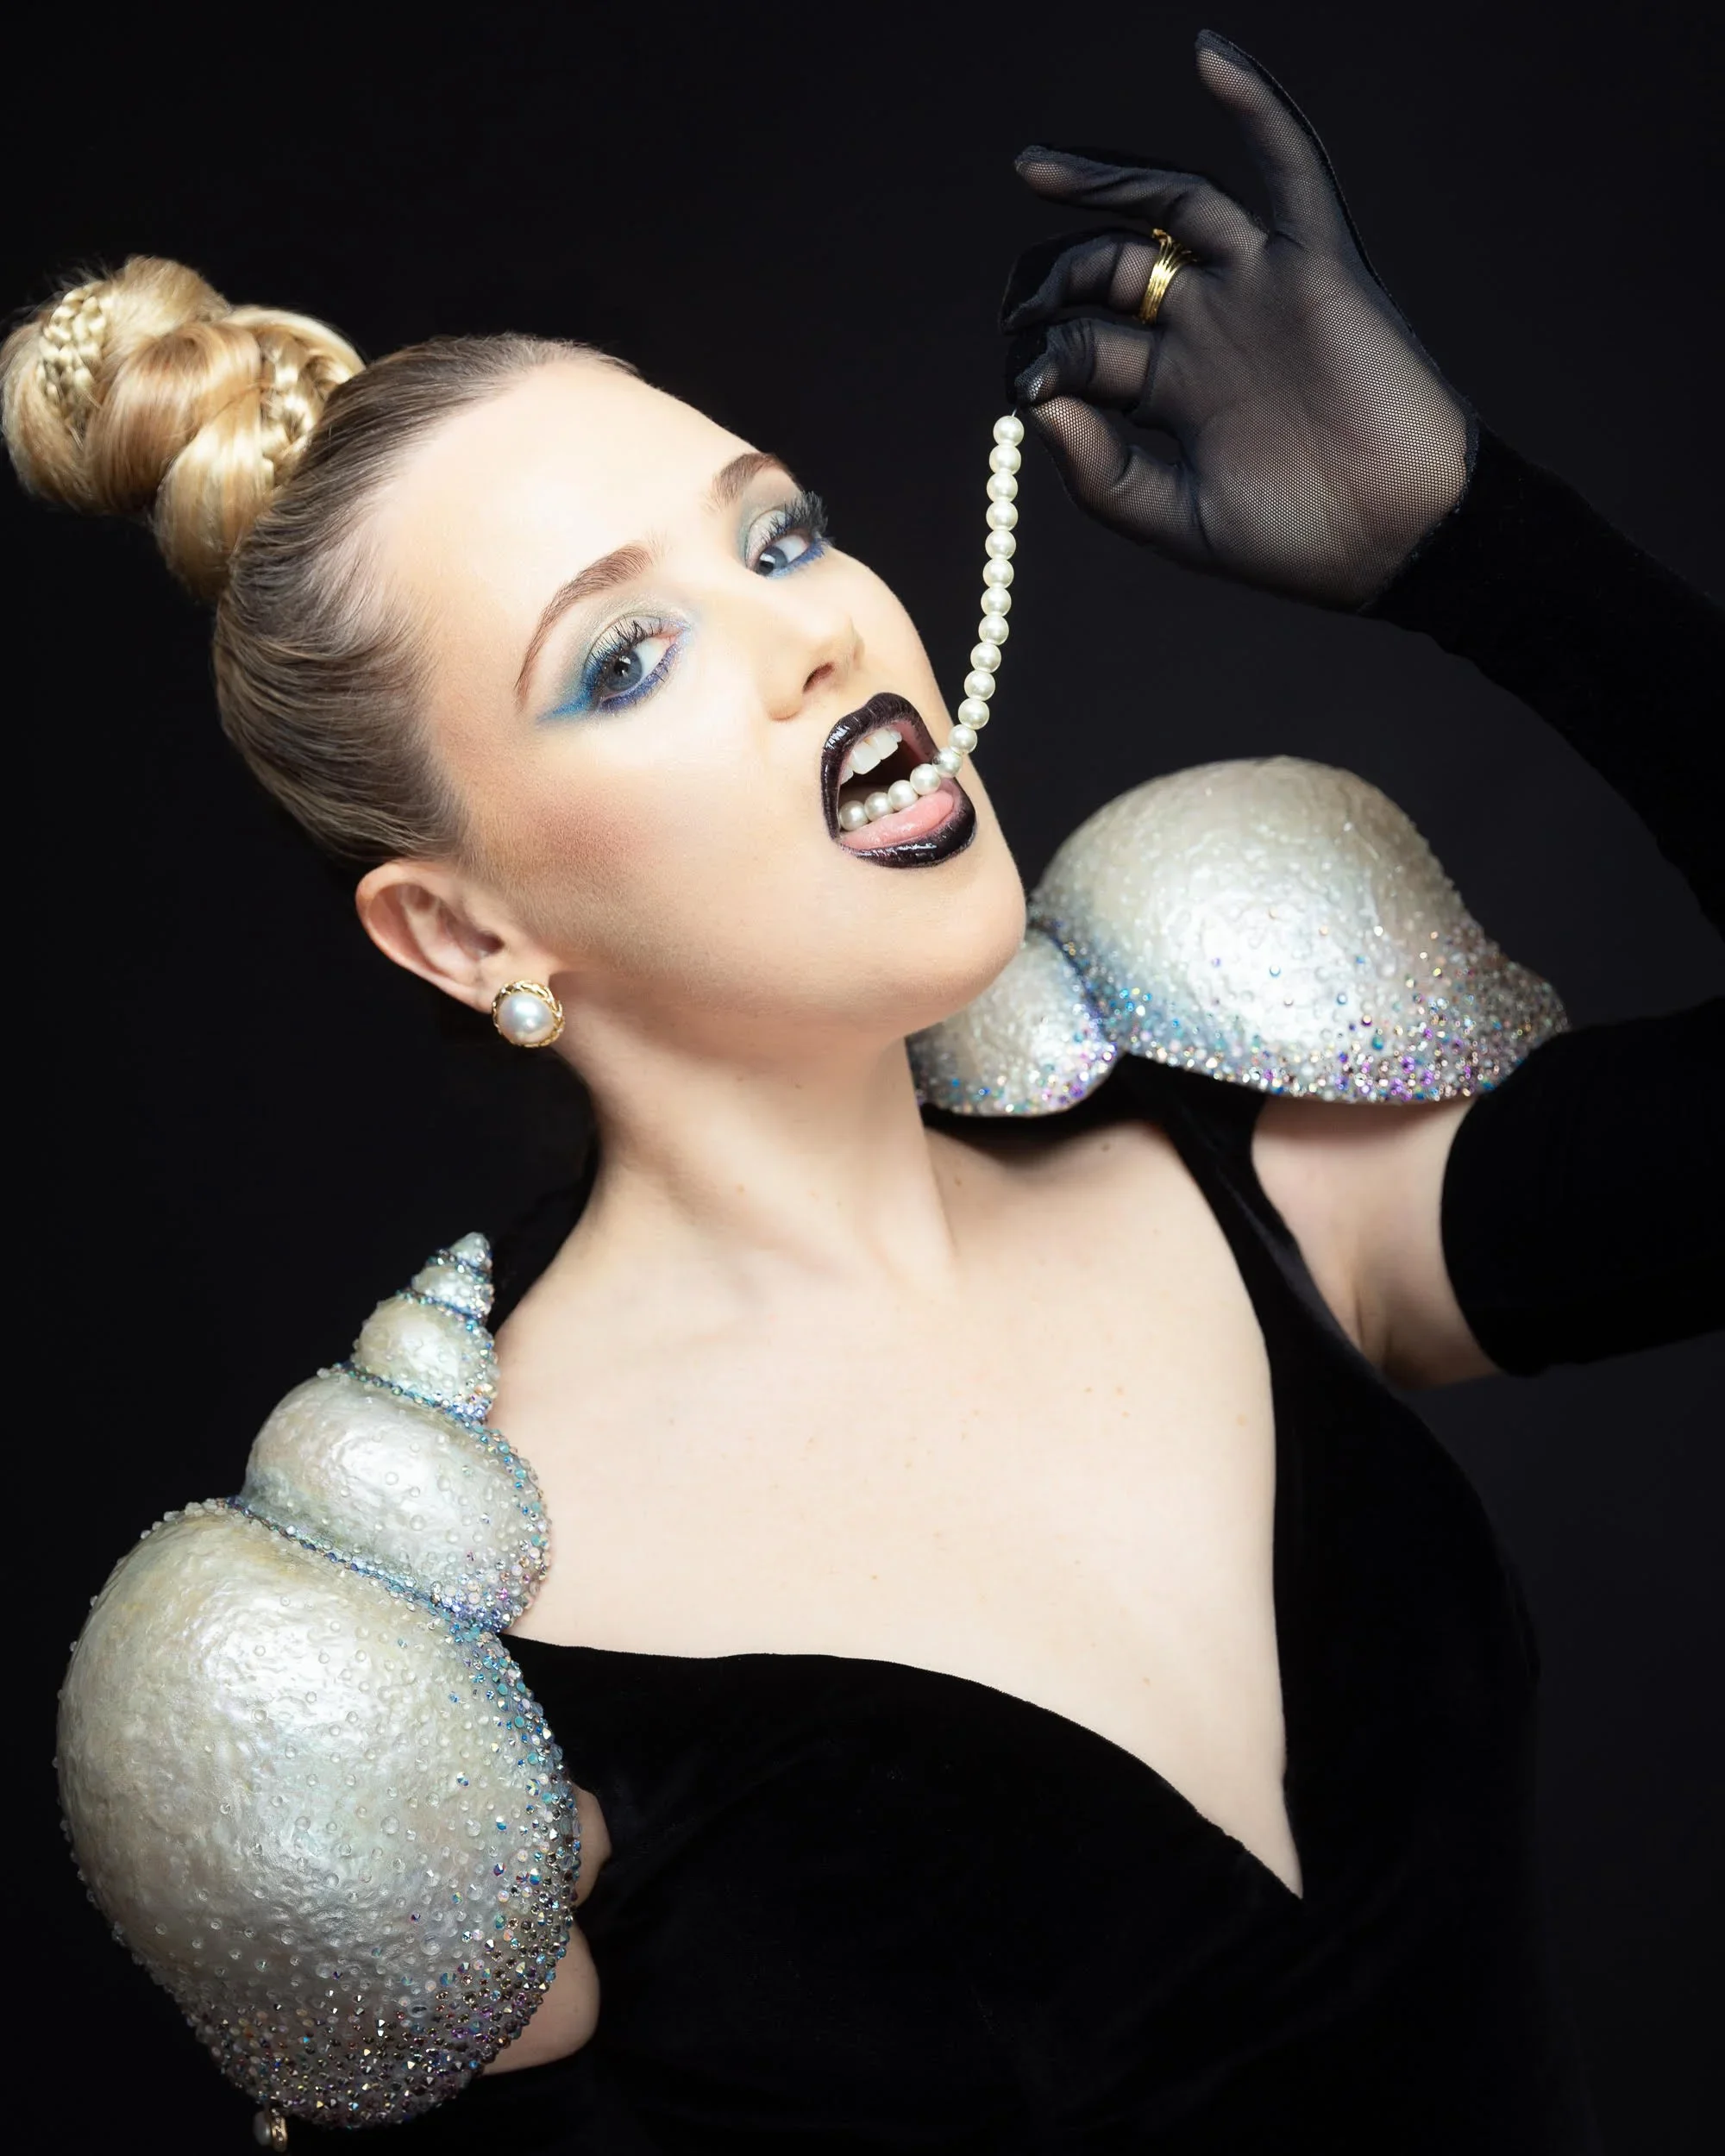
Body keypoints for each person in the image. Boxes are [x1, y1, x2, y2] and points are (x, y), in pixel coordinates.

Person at [13, 28, 1719, 2154]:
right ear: (464, 937)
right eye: (621, 658)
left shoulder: (1265, 1172)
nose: (812, 634)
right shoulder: (439, 1659)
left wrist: (1475, 543)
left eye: (778, 532)